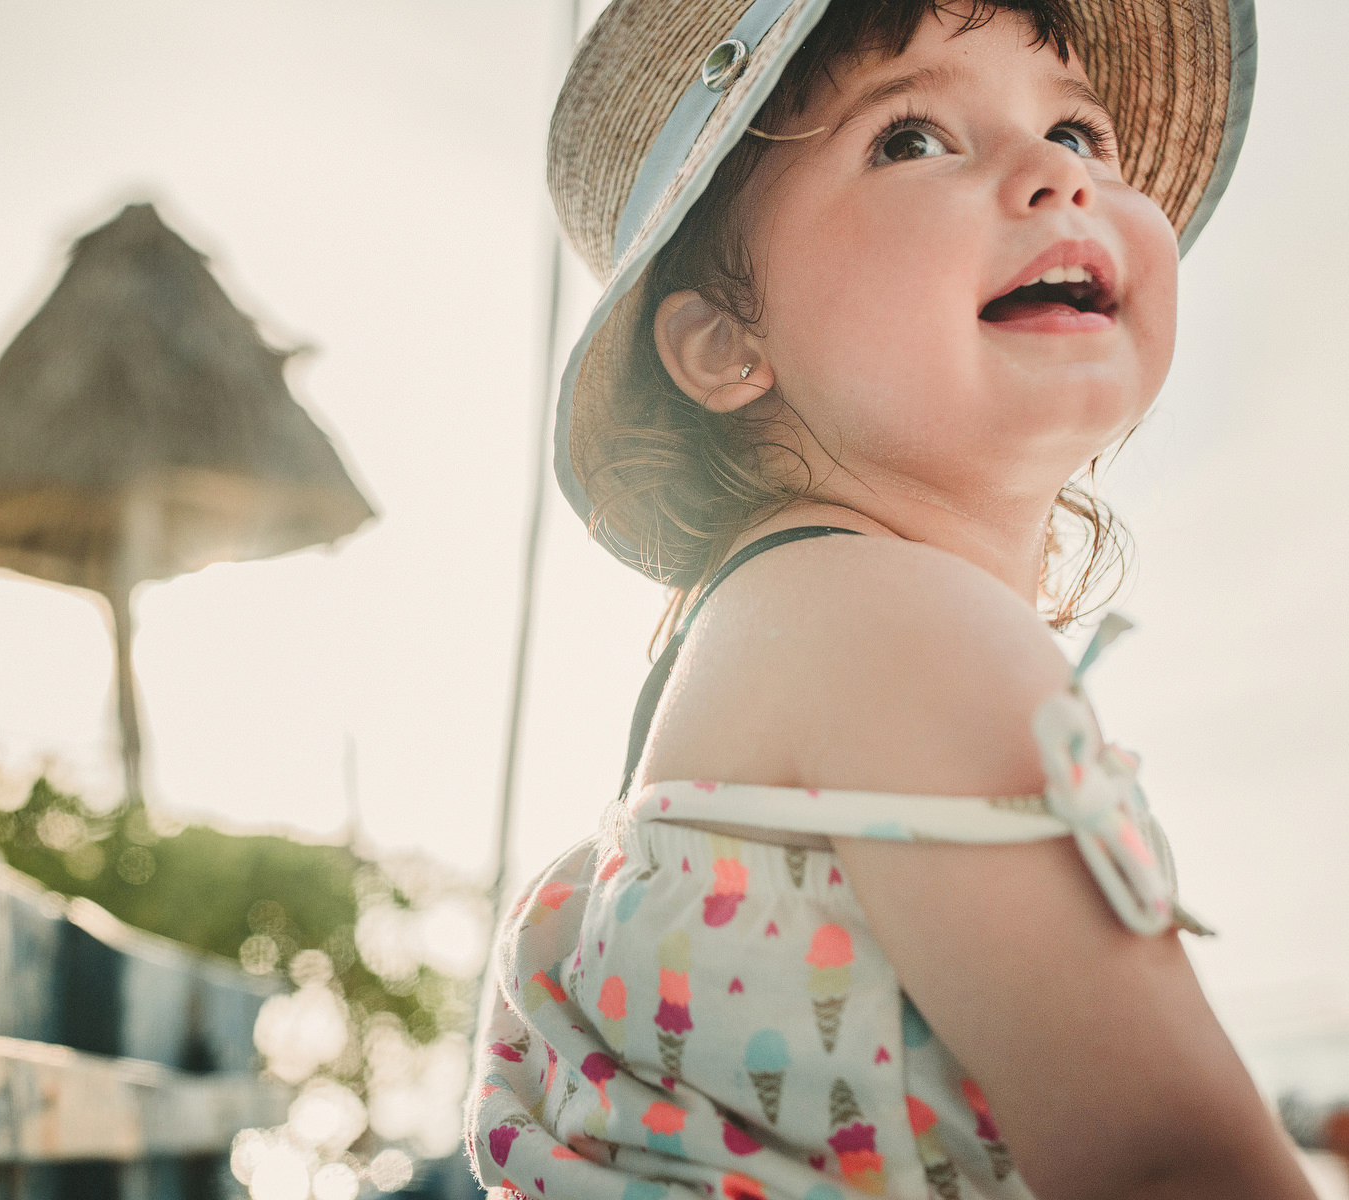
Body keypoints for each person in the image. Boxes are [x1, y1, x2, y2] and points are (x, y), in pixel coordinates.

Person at [465, 0, 1319, 1197]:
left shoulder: (782, 617)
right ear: (723, 343)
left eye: (1078, 132)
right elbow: (1178, 1170)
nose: (1050, 177)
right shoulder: (891, 624)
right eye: (911, 138)